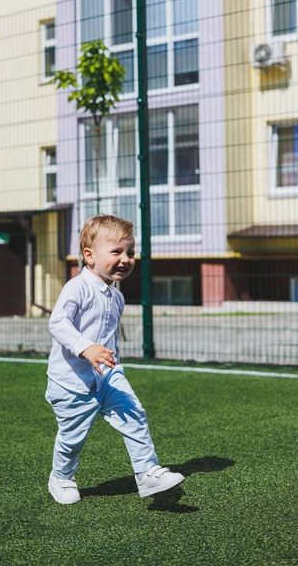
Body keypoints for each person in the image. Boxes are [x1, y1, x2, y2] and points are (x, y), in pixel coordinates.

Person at [46, 215, 184, 504]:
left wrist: (110, 362)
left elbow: (109, 339)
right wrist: (87, 348)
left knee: (134, 414)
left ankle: (146, 473)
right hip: (71, 382)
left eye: (130, 253)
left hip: (107, 376)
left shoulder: (116, 297)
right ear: (89, 256)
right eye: (116, 252)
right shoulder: (77, 287)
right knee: (73, 439)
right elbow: (58, 323)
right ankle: (61, 478)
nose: (126, 259)